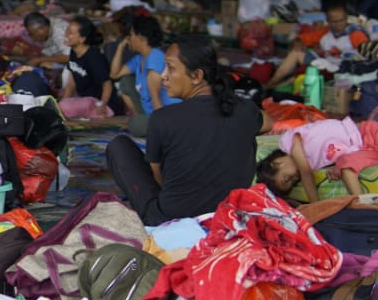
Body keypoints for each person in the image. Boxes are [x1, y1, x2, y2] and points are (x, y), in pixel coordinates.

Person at [108, 34, 268, 225]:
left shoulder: (162, 118)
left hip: (169, 218)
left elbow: (158, 178)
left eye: (171, 68)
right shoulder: (245, 108)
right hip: (228, 215)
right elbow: (269, 123)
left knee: (119, 146)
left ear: (197, 76)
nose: (163, 75)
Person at [266, 0, 366, 90]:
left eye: (342, 20)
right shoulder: (327, 31)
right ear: (328, 21)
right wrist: (298, 43)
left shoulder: (355, 33)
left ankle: (273, 89)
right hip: (325, 63)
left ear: (346, 18)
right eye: (334, 22)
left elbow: (367, 54)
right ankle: (271, 83)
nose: (339, 24)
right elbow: (303, 38)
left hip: (343, 70)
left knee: (303, 74)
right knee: (296, 54)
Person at [108, 14, 179, 137]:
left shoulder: (155, 58)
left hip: (166, 115)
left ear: (141, 38)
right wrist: (120, 47)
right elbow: (114, 74)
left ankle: (152, 126)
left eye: (131, 35)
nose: (128, 39)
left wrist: (160, 130)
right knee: (125, 81)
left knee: (135, 125)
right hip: (150, 113)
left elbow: (156, 100)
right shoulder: (139, 59)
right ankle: (142, 120)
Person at [60, 15, 111, 106]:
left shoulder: (94, 57)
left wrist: (102, 105)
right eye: (67, 30)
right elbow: (72, 81)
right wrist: (63, 101)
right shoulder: (74, 51)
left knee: (66, 108)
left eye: (70, 32)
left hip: (99, 103)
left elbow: (107, 84)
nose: (66, 34)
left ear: (82, 39)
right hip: (84, 99)